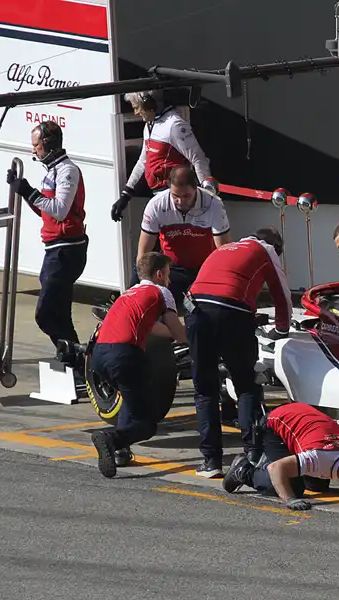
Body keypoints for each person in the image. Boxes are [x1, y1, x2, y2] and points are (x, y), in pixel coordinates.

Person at [184, 227, 293, 478]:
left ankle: (211, 461)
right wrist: (281, 330)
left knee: (205, 390)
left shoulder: (224, 247)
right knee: (245, 386)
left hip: (196, 309)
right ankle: (252, 454)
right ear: (276, 248)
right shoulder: (266, 250)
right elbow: (282, 294)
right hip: (232, 312)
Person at [89, 252, 187, 478]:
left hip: (99, 357)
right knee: (146, 424)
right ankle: (110, 439)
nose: (170, 281)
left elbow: (152, 328)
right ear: (160, 274)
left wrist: (175, 335)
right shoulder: (162, 292)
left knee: (130, 399)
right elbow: (178, 333)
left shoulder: (129, 293)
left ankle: (120, 451)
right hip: (124, 355)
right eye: (169, 275)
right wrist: (191, 333)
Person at [9, 121, 88, 352]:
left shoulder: (67, 171)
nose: (33, 150)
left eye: (36, 145)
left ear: (49, 144)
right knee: (60, 315)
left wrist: (29, 192)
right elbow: (46, 210)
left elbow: (60, 210)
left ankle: (76, 358)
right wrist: (23, 190)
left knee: (45, 314)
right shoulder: (52, 172)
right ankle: (74, 363)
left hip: (66, 251)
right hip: (55, 249)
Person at [222, 402, 339, 510]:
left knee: (318, 486)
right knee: (292, 487)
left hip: (303, 414)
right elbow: (276, 468)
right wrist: (289, 499)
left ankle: (287, 461)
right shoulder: (318, 458)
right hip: (275, 423)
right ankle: (244, 470)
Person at [111, 90, 218, 222]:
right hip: (159, 198)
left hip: (176, 199)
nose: (136, 113)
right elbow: (143, 162)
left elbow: (198, 158)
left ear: (148, 104)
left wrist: (207, 191)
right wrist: (125, 195)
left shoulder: (174, 125)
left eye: (136, 107)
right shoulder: (149, 125)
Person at [136, 164, 232, 308]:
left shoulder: (214, 205)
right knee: (139, 274)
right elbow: (143, 254)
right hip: (171, 270)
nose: (180, 201)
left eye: (186, 195)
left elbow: (224, 252)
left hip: (204, 269)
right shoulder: (156, 205)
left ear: (196, 188)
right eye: (175, 196)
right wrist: (145, 288)